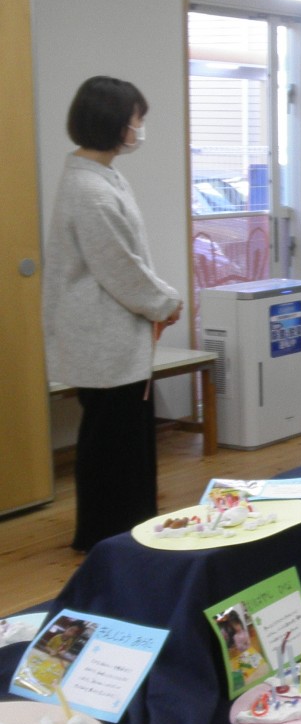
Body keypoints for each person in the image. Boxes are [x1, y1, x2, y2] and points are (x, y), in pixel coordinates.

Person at [44, 76, 183, 551]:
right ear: (116, 123)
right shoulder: (90, 189)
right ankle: (105, 538)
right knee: (111, 444)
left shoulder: (103, 177)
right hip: (102, 335)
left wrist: (159, 301)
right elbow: (119, 267)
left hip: (117, 331)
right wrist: (166, 302)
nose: (140, 128)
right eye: (137, 119)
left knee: (126, 441)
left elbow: (127, 263)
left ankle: (132, 529)